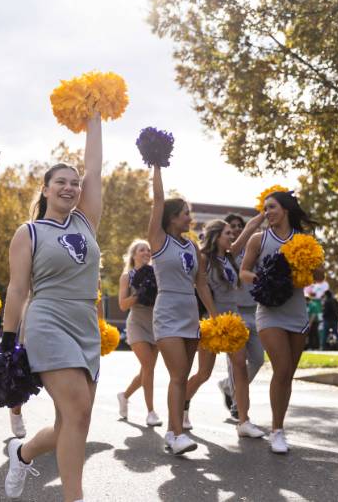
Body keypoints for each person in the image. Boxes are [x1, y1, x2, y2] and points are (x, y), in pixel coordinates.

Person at [2, 113, 103, 501]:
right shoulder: (28, 233)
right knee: (77, 410)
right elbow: (16, 289)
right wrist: (9, 341)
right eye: (60, 181)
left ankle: (22, 452)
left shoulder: (86, 222)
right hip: (47, 320)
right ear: (44, 189)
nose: (70, 187)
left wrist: (95, 116)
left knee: (74, 421)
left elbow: (94, 166)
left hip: (85, 323)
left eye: (74, 183)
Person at [240, 190, 319, 454]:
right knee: (281, 368)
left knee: (287, 375)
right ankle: (276, 432)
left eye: (272, 207)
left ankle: (279, 427)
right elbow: (244, 271)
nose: (267, 212)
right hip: (269, 311)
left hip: (297, 312)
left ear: (285, 209)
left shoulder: (304, 239)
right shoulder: (258, 239)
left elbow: (319, 274)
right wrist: (264, 279)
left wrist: (307, 267)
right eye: (265, 208)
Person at [147, 164, 217, 456]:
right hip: (167, 311)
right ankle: (176, 435)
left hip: (190, 313)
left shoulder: (192, 247)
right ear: (172, 218)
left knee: (183, 374)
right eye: (186, 213)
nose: (190, 217)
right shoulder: (158, 241)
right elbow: (159, 200)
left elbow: (201, 283)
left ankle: (172, 429)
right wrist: (157, 165)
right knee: (177, 375)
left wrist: (214, 317)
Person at [183, 215, 264, 438]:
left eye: (232, 233)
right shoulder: (204, 259)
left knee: (239, 366)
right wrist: (214, 315)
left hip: (234, 319)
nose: (232, 236)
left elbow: (249, 228)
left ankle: (244, 421)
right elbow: (202, 288)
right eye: (227, 233)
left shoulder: (231, 255)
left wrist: (263, 214)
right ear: (216, 236)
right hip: (214, 321)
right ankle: (182, 406)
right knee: (204, 373)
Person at [218, 214, 267, 421]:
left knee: (257, 359)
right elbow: (251, 228)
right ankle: (238, 407)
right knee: (235, 363)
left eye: (240, 226)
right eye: (232, 227)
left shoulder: (255, 249)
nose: (237, 230)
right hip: (234, 312)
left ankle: (229, 387)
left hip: (254, 310)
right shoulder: (229, 254)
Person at [115, 239, 162, 427]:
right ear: (134, 255)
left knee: (146, 369)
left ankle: (124, 396)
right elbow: (122, 304)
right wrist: (140, 292)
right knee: (149, 367)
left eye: (149, 250)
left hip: (155, 324)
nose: (146, 253)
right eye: (142, 250)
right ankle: (151, 412)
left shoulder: (157, 274)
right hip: (136, 324)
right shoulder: (127, 276)